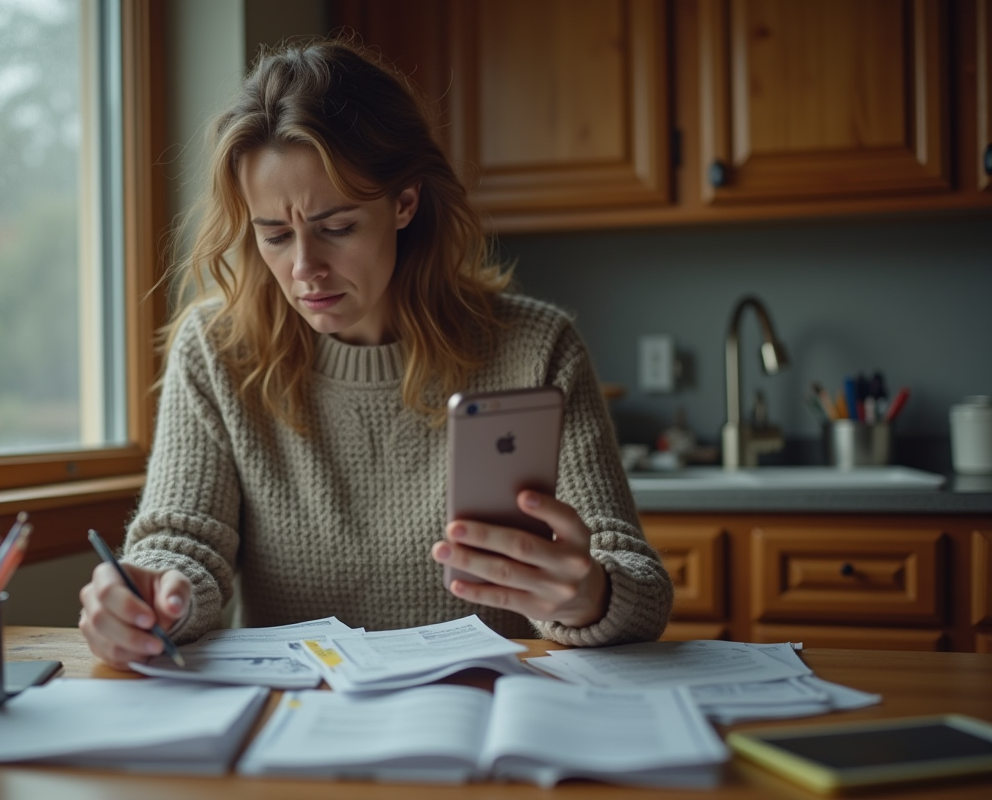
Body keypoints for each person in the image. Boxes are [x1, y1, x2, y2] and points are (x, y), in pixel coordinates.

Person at [79, 39, 672, 670]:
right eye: (275, 235)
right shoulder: (217, 351)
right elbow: (181, 542)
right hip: (300, 717)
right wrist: (152, 593)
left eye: (337, 227)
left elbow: (633, 577)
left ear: (404, 203)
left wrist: (590, 595)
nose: (304, 268)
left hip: (487, 716)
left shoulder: (533, 348)